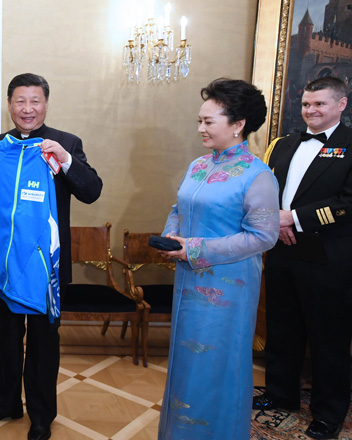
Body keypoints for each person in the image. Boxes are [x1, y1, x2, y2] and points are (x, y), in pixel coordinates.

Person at [0, 73, 102, 440]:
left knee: (43, 343)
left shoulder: (65, 143)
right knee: (7, 338)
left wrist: (66, 160)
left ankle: (41, 416)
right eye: (20, 101)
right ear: (9, 105)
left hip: (46, 267)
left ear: (46, 104)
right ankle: (7, 402)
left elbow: (92, 191)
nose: (27, 109)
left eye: (35, 101)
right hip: (5, 265)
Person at [157, 78, 280, 439]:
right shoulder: (198, 165)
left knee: (215, 364)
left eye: (209, 122)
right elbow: (180, 207)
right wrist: (171, 236)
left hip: (229, 289)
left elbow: (263, 236)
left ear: (238, 124)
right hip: (187, 282)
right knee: (186, 363)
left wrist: (195, 249)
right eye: (200, 120)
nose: (201, 128)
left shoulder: (258, 175)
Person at [254, 76, 352, 440]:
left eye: (319, 104)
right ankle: (281, 394)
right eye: (306, 104)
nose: (310, 111)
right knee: (282, 328)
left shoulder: (350, 144)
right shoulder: (284, 144)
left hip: (328, 257)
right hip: (282, 249)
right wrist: (278, 222)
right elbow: (267, 189)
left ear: (341, 104)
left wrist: (293, 218)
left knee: (328, 339)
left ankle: (328, 413)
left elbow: (348, 203)